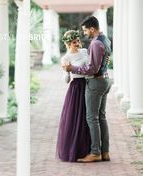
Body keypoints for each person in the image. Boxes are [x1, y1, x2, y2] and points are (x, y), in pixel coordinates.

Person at [64, 16, 112, 162]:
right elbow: (104, 61)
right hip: (104, 80)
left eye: (85, 30)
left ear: (92, 28)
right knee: (101, 117)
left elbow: (92, 68)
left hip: (96, 82)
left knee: (92, 118)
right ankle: (105, 152)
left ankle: (95, 152)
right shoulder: (106, 39)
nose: (84, 33)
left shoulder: (96, 43)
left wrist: (72, 68)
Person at [56, 30, 91, 162]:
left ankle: (89, 149)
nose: (77, 43)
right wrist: (66, 71)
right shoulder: (66, 58)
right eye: (74, 42)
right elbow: (66, 80)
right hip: (76, 88)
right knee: (77, 118)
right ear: (68, 43)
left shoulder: (84, 51)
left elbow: (90, 67)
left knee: (89, 117)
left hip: (88, 84)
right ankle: (75, 150)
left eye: (77, 41)